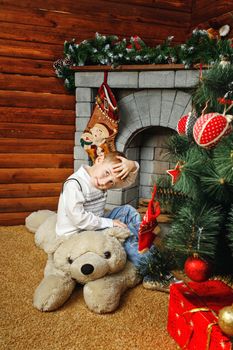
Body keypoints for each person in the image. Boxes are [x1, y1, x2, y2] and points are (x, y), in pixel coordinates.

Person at [56, 151, 143, 266]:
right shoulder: (74, 184)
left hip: (95, 224)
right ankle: (149, 265)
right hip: (76, 234)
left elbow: (128, 181)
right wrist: (110, 223)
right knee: (122, 235)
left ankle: (143, 240)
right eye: (107, 173)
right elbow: (79, 220)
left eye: (111, 182)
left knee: (127, 211)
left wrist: (132, 165)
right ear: (98, 159)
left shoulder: (102, 180)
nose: (104, 183)